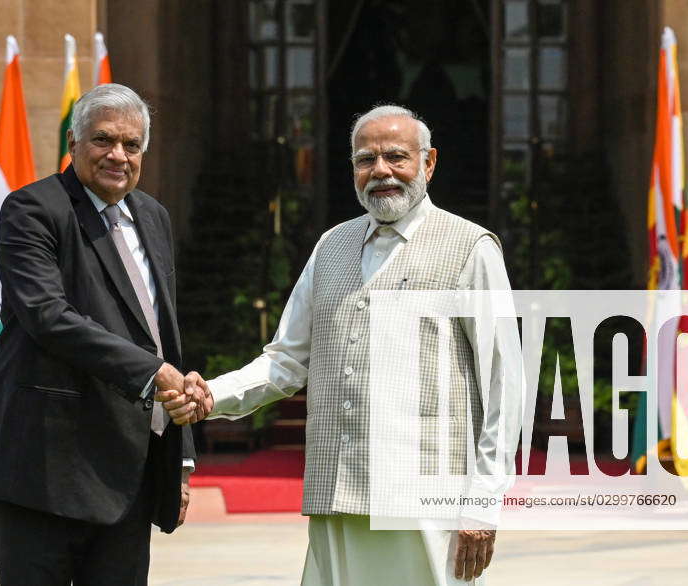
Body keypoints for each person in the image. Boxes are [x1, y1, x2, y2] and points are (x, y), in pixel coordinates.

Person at [162, 104, 522, 585]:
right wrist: (212, 394)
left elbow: (505, 383)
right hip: (337, 492)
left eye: (396, 157)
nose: (381, 172)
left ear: (429, 162)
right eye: (365, 160)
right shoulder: (331, 245)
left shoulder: (471, 247)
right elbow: (286, 360)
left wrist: (483, 501)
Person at [0, 83, 199, 586]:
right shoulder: (32, 209)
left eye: (132, 145)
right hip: (43, 470)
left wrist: (179, 457)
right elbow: (48, 315)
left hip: (128, 475)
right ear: (73, 142)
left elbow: (161, 337)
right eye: (103, 140)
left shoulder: (154, 217)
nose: (118, 155)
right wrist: (151, 372)